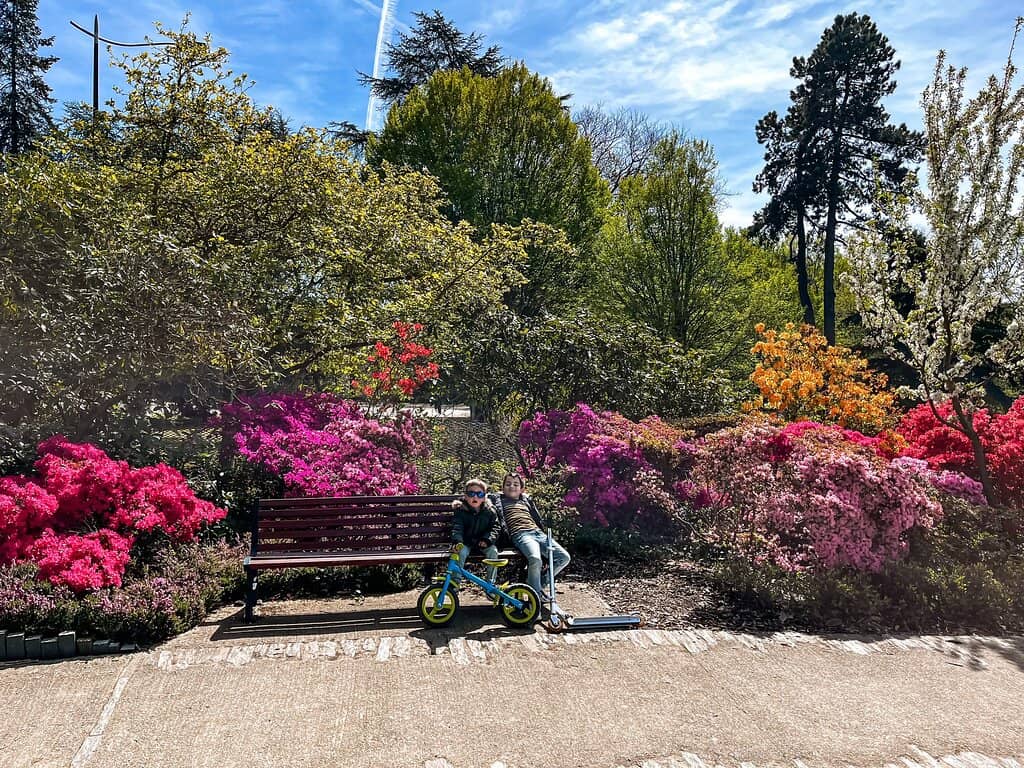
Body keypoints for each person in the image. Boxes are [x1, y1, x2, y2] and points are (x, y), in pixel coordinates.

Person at [490, 472, 570, 598]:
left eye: (516, 484)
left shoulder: (526, 501)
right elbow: (483, 500)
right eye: (508, 484)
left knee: (564, 557)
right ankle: (536, 596)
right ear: (502, 488)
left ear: (522, 489)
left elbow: (537, 519)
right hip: (521, 534)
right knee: (535, 559)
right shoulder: (498, 500)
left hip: (538, 533)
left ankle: (536, 585)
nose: (512, 486)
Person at [450, 478, 502, 585]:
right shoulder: (460, 511)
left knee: (493, 552)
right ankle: (454, 584)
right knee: (460, 552)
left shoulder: (490, 511)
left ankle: (490, 584)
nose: (475, 497)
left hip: (483, 542)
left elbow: (495, 527)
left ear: (484, 497)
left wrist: (487, 540)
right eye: (471, 493)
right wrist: (457, 541)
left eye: (479, 494)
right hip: (466, 542)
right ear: (465, 496)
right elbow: (457, 527)